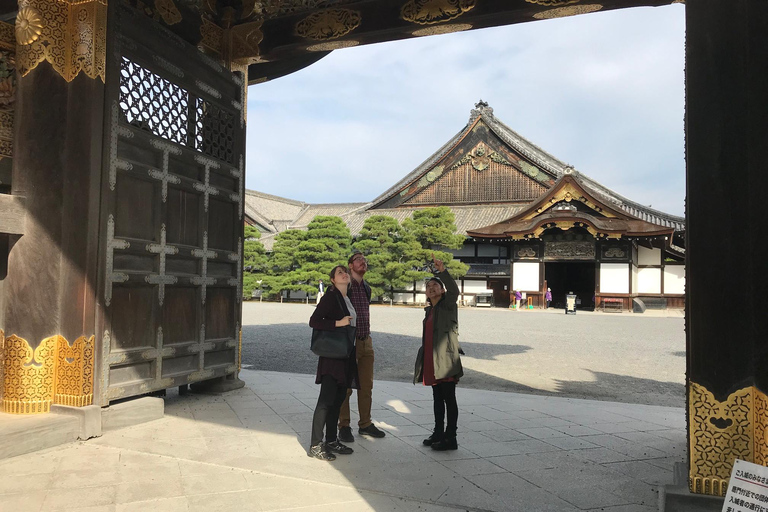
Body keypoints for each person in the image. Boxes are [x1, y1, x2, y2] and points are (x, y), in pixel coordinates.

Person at [308, 265, 359, 461]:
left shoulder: (346, 298)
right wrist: (338, 323)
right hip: (332, 356)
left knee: (338, 400)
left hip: (344, 355)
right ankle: (315, 444)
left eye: (345, 271)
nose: (344, 273)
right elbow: (314, 321)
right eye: (339, 272)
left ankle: (331, 440)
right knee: (326, 400)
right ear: (332, 280)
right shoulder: (330, 297)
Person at [414, 254, 463, 451]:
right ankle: (438, 432)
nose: (432, 288)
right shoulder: (429, 311)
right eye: (428, 286)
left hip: (446, 358)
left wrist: (442, 271)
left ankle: (451, 437)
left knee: (448, 397)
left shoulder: (448, 305)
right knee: (437, 397)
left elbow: (454, 290)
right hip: (432, 358)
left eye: (436, 286)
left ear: (442, 291)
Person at [338, 252, 387, 443]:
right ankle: (344, 425)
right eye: (359, 259)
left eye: (365, 260)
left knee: (366, 386)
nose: (363, 262)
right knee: (346, 387)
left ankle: (365, 423)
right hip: (349, 341)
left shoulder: (367, 287)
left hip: (366, 340)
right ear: (350, 265)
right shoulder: (345, 285)